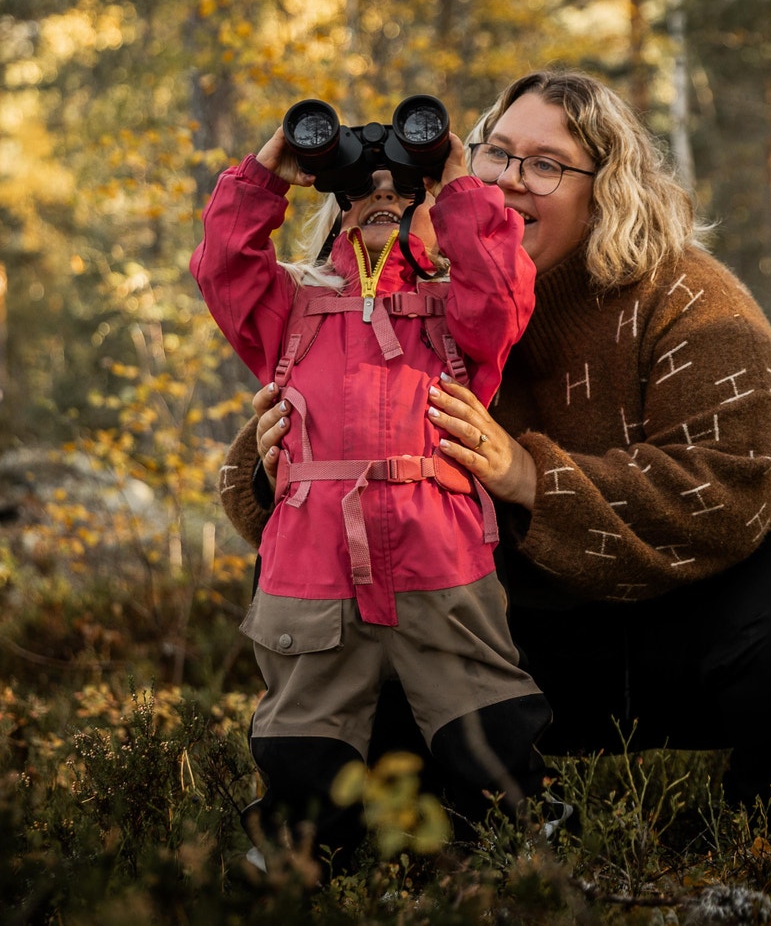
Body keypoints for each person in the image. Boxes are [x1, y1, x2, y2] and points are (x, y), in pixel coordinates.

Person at [222, 69, 771, 816]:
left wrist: (528, 475)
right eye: (494, 155)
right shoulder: (406, 288)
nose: (508, 182)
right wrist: (269, 472)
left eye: (546, 165)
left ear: (608, 188)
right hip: (511, 642)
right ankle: (433, 827)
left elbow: (727, 492)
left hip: (690, 622)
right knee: (346, 558)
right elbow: (263, 494)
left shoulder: (692, 298)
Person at [189, 118, 552, 871]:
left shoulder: (459, 311)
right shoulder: (292, 308)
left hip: (439, 552)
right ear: (336, 207)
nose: (380, 197)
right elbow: (224, 268)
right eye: (361, 190)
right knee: (303, 729)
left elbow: (504, 282)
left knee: (483, 716)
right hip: (312, 561)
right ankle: (300, 853)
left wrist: (458, 179)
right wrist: (268, 174)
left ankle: (512, 849)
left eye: (401, 189)